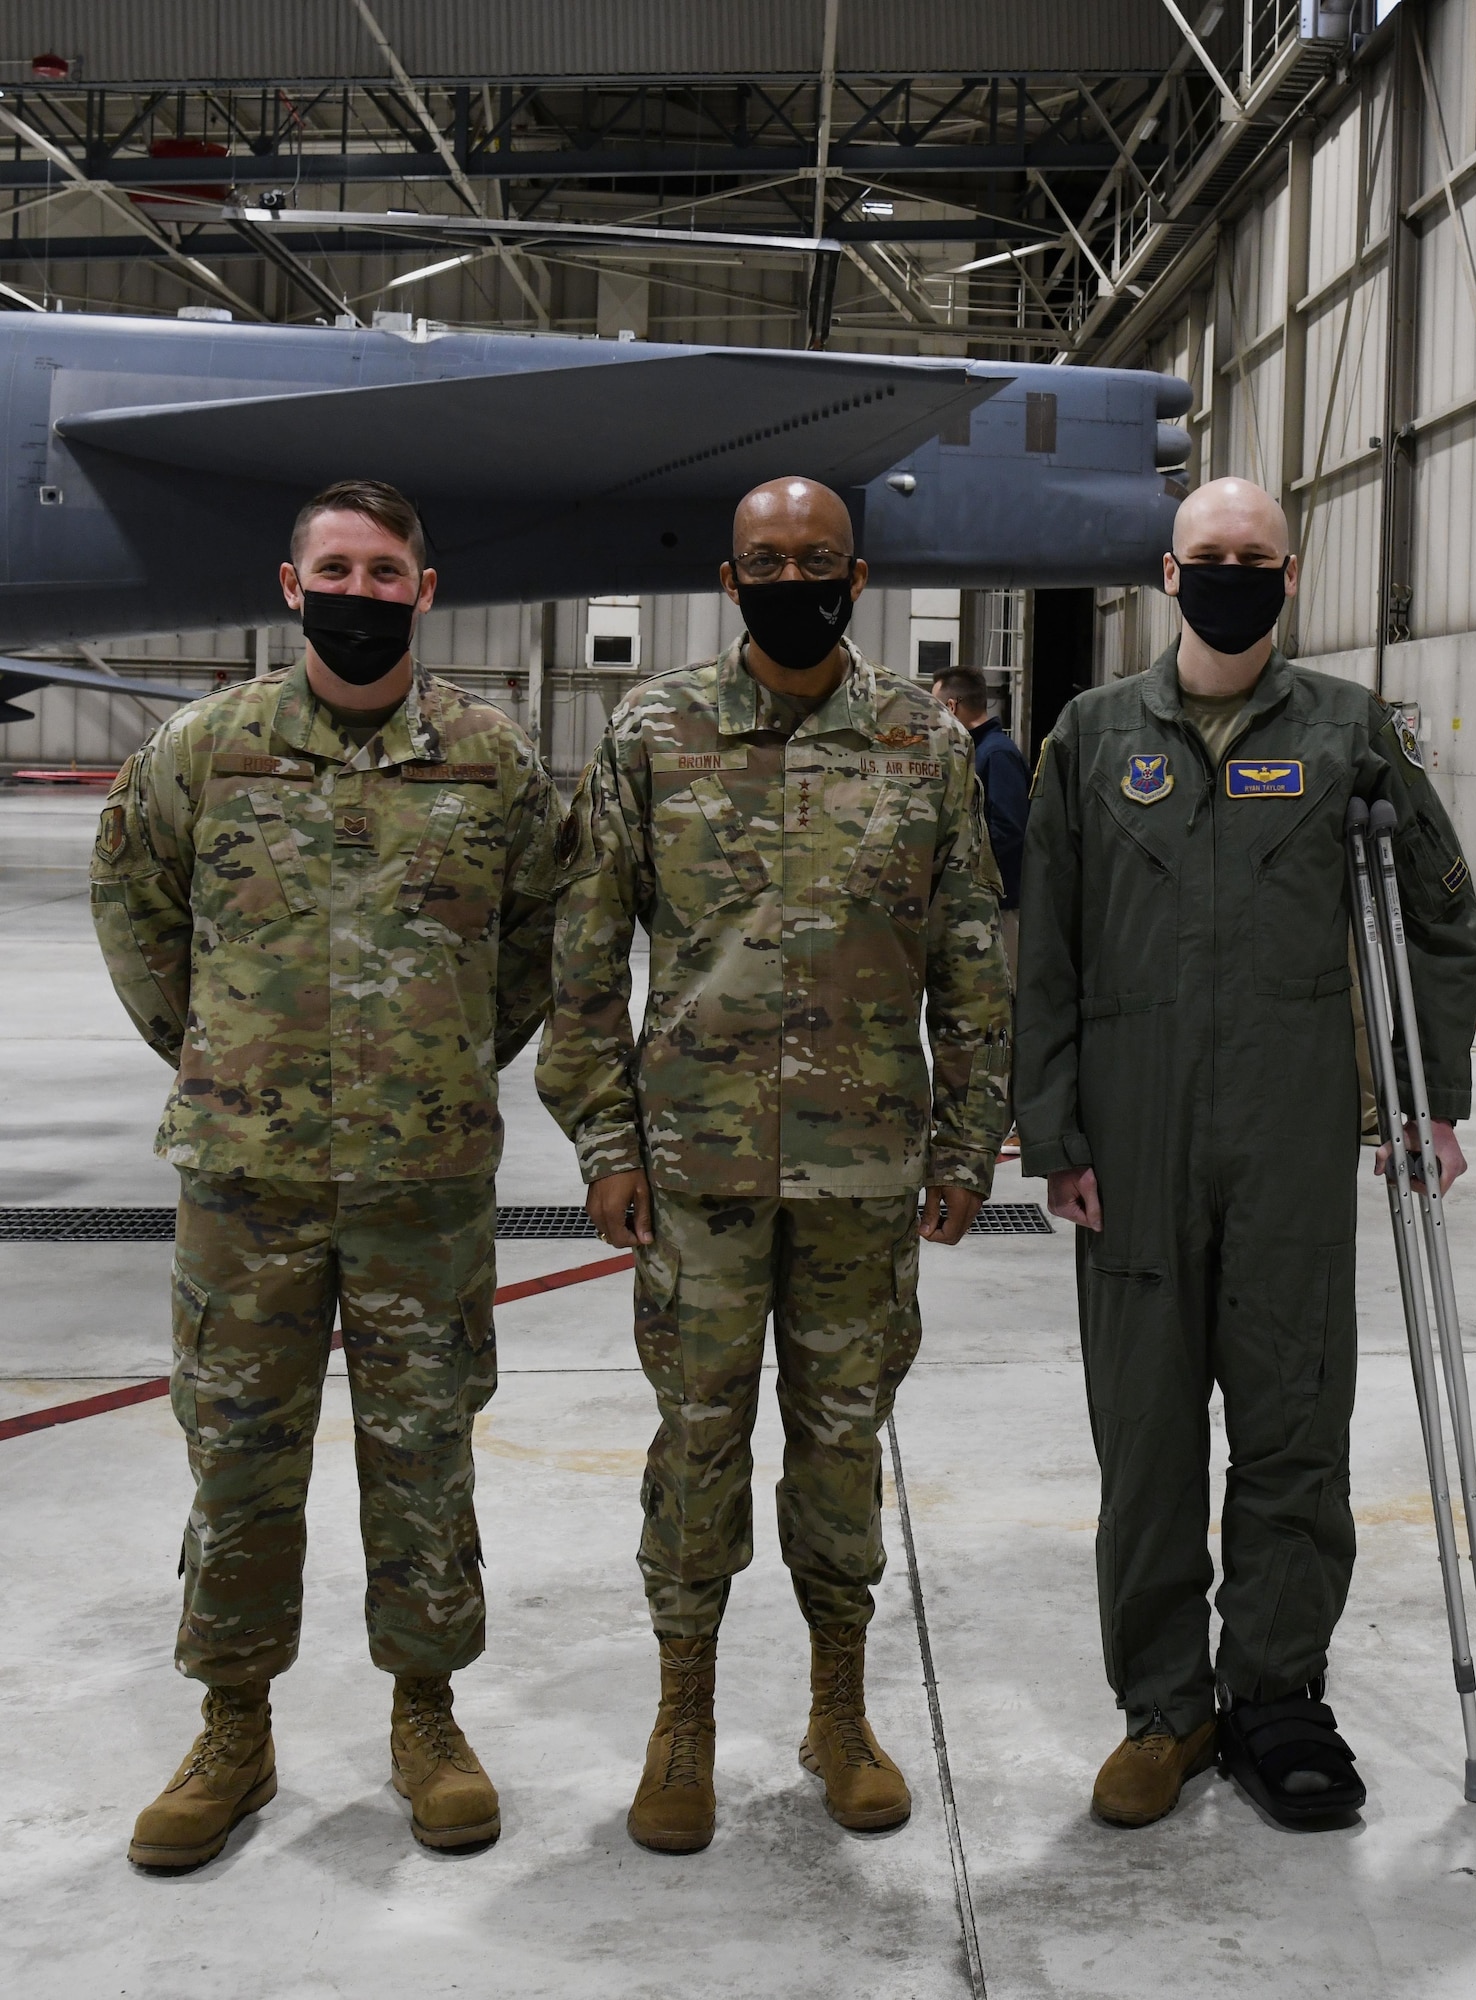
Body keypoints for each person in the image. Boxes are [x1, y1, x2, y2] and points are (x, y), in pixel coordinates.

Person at [91, 478, 561, 1870]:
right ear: (293, 588)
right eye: (335, 570)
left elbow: (539, 937)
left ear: (426, 589)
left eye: (384, 571)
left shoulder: (492, 760)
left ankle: (427, 1715)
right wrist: (223, 1054)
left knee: (424, 1458)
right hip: (247, 1182)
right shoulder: (202, 750)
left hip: (424, 1182)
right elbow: (133, 909)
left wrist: (454, 1056)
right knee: (237, 1456)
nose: (360, 591)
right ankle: (235, 1725)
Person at [536, 475, 1011, 1853]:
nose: (791, 575)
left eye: (817, 558)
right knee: (696, 1445)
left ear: (856, 578)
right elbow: (584, 959)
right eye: (766, 559)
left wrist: (971, 1140)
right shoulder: (652, 731)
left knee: (842, 1447)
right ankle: (682, 1715)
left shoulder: (924, 742)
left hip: (865, 1173)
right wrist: (607, 1140)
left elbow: (974, 957)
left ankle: (837, 1709)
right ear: (729, 578)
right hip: (695, 1173)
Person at [1015, 476, 1476, 1832]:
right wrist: (1054, 1131)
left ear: (1291, 576)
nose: (1231, 572)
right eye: (1209, 555)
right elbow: (1046, 947)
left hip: (1289, 1138)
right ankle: (1166, 1710)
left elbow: (1440, 917)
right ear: (1171, 573)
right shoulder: (1093, 737)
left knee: (1291, 1430)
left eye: (1255, 558)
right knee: (1148, 1446)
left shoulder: (1349, 734)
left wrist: (1423, 1096)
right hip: (1136, 1142)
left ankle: (1275, 1695)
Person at [932, 664, 1031, 977]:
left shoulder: (996, 755)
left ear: (951, 707)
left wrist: (969, 876)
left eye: (935, 709)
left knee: (1005, 991)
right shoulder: (974, 752)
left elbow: (1010, 831)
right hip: (982, 903)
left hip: (1001, 906)